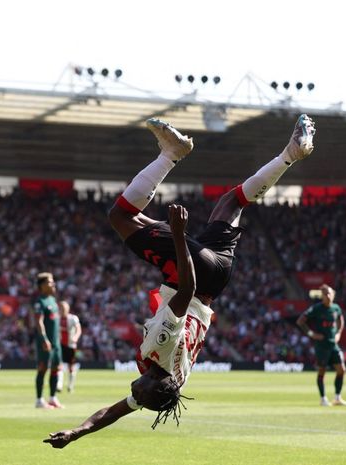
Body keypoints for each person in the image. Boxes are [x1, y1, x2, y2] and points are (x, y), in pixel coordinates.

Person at [44, 114, 316, 448]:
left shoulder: (174, 381)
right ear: (152, 384)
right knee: (120, 217)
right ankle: (171, 153)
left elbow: (113, 412)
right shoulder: (160, 348)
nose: (133, 393)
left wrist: (77, 432)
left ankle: (290, 154)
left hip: (217, 280)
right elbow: (185, 290)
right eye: (139, 393)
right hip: (191, 276)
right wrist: (177, 234)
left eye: (137, 398)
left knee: (231, 202)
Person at [297, 284, 346, 407]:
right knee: (322, 371)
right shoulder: (316, 308)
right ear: (322, 296)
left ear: (333, 294)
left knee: (342, 370)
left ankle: (337, 397)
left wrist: (338, 333)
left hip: (333, 344)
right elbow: (300, 321)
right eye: (325, 294)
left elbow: (341, 320)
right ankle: (323, 398)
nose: (328, 296)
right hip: (321, 346)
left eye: (329, 293)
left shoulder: (336, 308)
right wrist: (311, 334)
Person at [33, 272, 63, 409]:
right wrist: (44, 339)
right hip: (45, 343)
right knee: (43, 369)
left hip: (56, 343)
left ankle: (52, 398)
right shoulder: (40, 302)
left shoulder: (53, 301)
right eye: (50, 282)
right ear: (42, 285)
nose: (53, 284)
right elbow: (38, 322)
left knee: (56, 368)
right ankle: (39, 400)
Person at [57, 301, 82, 393]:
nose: (62, 310)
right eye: (61, 308)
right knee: (59, 365)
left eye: (64, 308)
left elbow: (78, 329)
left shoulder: (73, 318)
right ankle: (59, 385)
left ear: (68, 309)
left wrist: (75, 337)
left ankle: (70, 386)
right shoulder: (57, 318)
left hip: (71, 345)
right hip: (60, 345)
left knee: (71, 366)